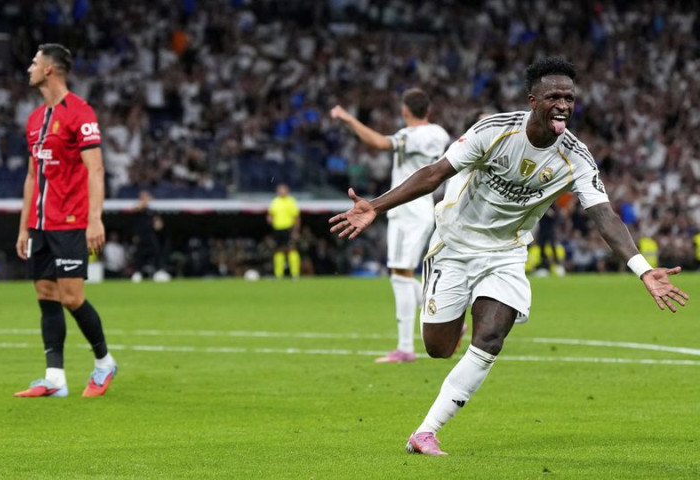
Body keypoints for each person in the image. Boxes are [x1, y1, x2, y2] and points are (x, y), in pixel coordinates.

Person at [329, 57, 689, 455]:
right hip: (454, 245)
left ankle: (426, 431)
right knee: (438, 348)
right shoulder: (494, 131)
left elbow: (604, 215)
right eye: (554, 96)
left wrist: (642, 270)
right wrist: (376, 206)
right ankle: (454, 323)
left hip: (506, 252)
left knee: (490, 339)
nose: (563, 104)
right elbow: (434, 174)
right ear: (533, 100)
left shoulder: (576, 157)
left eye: (569, 98)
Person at [14, 43, 117, 398]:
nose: (29, 68)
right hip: (41, 224)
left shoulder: (80, 113)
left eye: (34, 62)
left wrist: (94, 219)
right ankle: (55, 378)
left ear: (49, 70)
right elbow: (32, 176)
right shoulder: (34, 119)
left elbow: (96, 169)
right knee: (46, 294)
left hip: (71, 221)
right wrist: (24, 226)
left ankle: (104, 362)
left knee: (72, 298)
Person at [331, 88, 451, 363]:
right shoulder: (440, 134)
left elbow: (379, 143)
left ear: (405, 111)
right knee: (403, 273)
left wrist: (349, 120)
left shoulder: (410, 135)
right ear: (428, 110)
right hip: (425, 207)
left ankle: (406, 348)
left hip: (405, 210)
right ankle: (444, 317)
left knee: (400, 275)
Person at [267, 183, 301, 279]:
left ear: (287, 191)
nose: (282, 191)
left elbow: (296, 217)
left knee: (292, 249)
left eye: (284, 190)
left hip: (288, 229)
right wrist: (269, 218)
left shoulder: (291, 201)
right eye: (280, 190)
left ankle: (295, 274)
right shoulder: (275, 201)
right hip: (277, 229)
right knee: (278, 250)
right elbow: (270, 214)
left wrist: (295, 231)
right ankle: (279, 274)